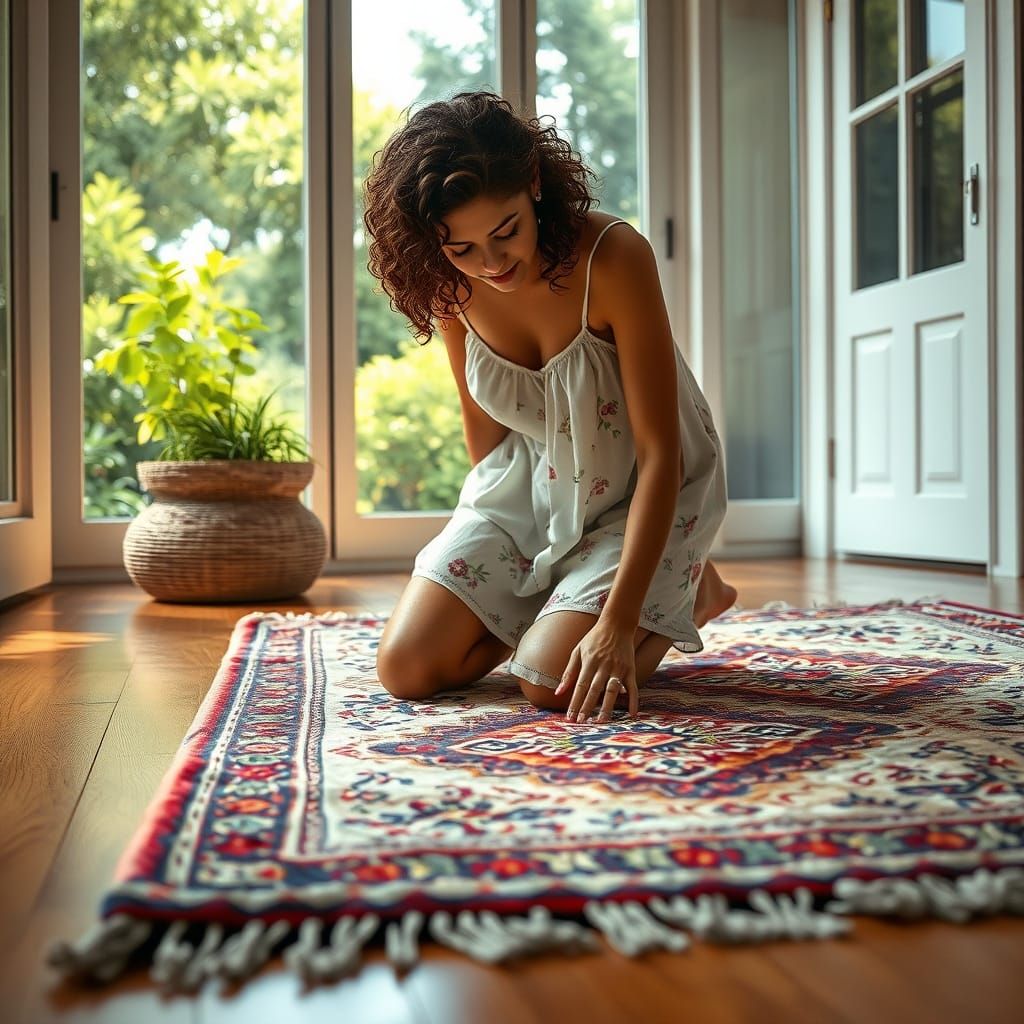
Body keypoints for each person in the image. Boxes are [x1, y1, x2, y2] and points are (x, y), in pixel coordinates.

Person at [363, 91, 735, 726]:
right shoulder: (453, 290)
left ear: (533, 182)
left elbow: (661, 453)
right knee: (407, 668)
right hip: (533, 484)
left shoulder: (614, 257)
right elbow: (486, 437)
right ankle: (585, 600)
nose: (492, 263)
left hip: (643, 489)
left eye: (505, 231)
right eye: (463, 249)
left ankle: (688, 591)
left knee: (549, 686)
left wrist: (617, 624)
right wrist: (494, 566)